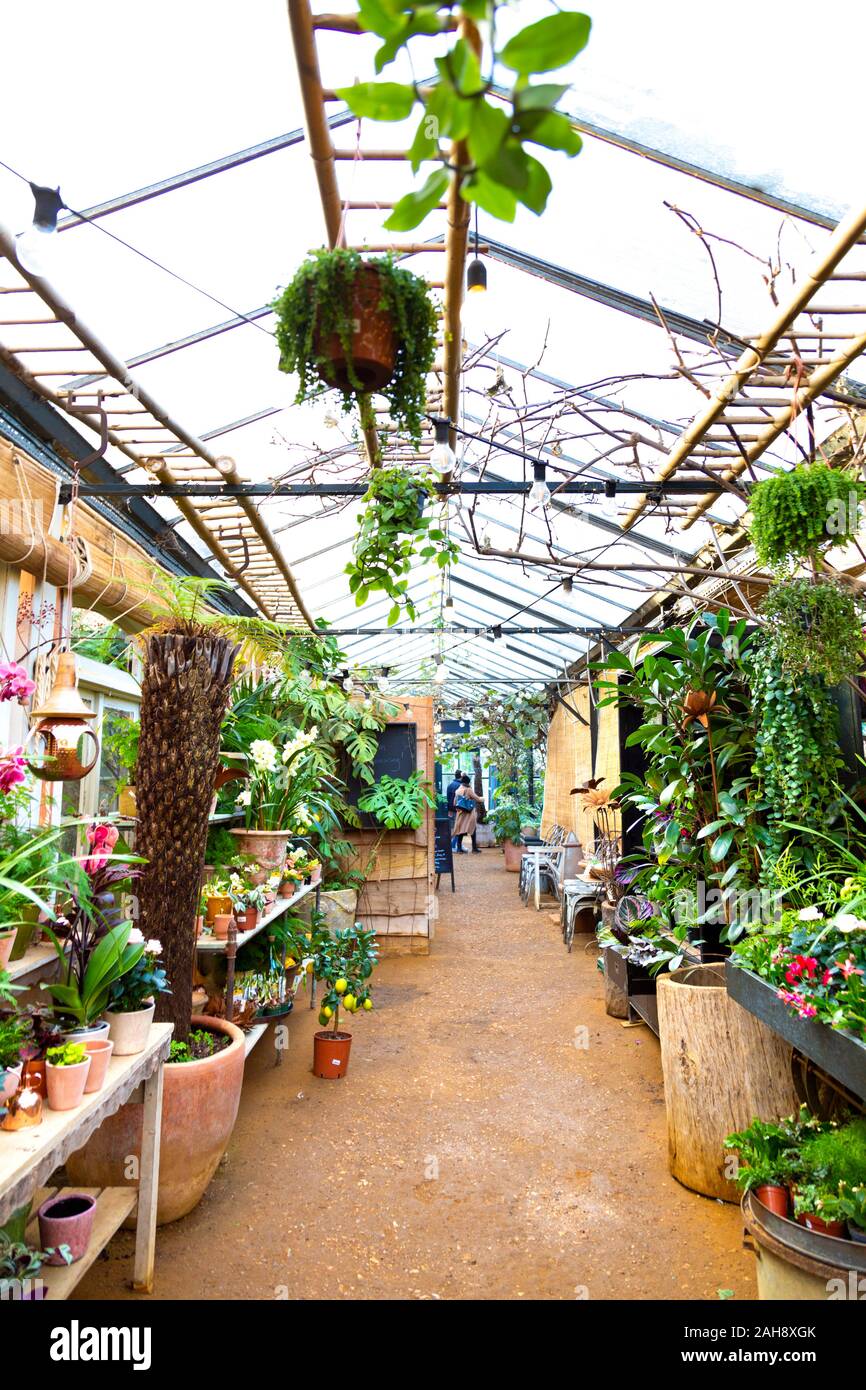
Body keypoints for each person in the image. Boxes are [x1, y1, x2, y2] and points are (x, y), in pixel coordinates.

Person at [452, 774, 484, 854]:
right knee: (473, 829)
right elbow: (477, 799)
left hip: (460, 813)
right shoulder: (468, 790)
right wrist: (482, 799)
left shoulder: (458, 790)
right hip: (469, 814)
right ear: (468, 782)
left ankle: (459, 849)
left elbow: (454, 803)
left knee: (461, 831)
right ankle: (474, 848)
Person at [446, 767, 465, 835]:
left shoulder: (450, 785)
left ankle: (450, 844)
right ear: (461, 776)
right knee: (459, 828)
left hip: (451, 810)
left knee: (451, 828)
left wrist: (448, 810)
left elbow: (447, 798)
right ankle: (456, 844)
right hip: (459, 810)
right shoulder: (461, 786)